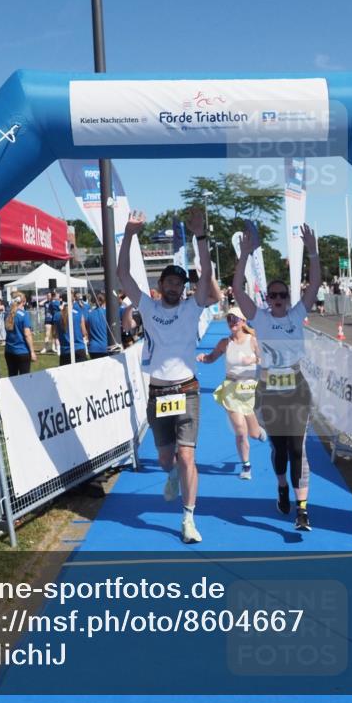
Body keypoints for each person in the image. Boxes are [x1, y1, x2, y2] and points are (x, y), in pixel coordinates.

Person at [118, 208, 215, 543]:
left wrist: (200, 236)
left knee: (188, 455)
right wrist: (129, 233)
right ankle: (171, 473)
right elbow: (122, 274)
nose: (175, 286)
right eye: (170, 282)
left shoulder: (193, 306)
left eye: (180, 283)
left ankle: (188, 520)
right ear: (160, 286)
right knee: (164, 458)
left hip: (187, 390)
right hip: (159, 393)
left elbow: (207, 277)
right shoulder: (148, 307)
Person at [234, 223, 321, 532]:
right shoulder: (260, 318)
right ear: (268, 299)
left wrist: (312, 250)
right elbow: (236, 291)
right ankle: (281, 485)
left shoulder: (298, 314)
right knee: (280, 450)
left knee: (298, 449)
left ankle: (302, 511)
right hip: (270, 391)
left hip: (296, 389)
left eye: (283, 294)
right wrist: (244, 254)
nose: (279, 299)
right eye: (274, 295)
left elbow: (316, 283)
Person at [197, 307, 268, 480]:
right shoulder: (224, 342)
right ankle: (246, 466)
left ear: (243, 321)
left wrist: (254, 359)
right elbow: (211, 358)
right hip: (231, 390)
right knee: (240, 430)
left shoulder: (253, 341)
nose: (232, 322)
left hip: (249, 390)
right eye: (229, 319)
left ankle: (259, 432)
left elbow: (267, 359)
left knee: (252, 433)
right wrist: (203, 358)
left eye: (235, 319)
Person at [3, 292, 37, 376]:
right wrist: (32, 351)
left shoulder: (7, 314)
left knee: (12, 377)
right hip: (22, 351)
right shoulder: (24, 315)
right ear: (24, 301)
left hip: (9, 351)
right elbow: (27, 334)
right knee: (24, 380)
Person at [55, 297, 89, 365]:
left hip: (65, 351)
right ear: (73, 302)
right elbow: (84, 332)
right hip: (78, 349)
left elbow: (56, 334)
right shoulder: (79, 314)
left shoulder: (57, 316)